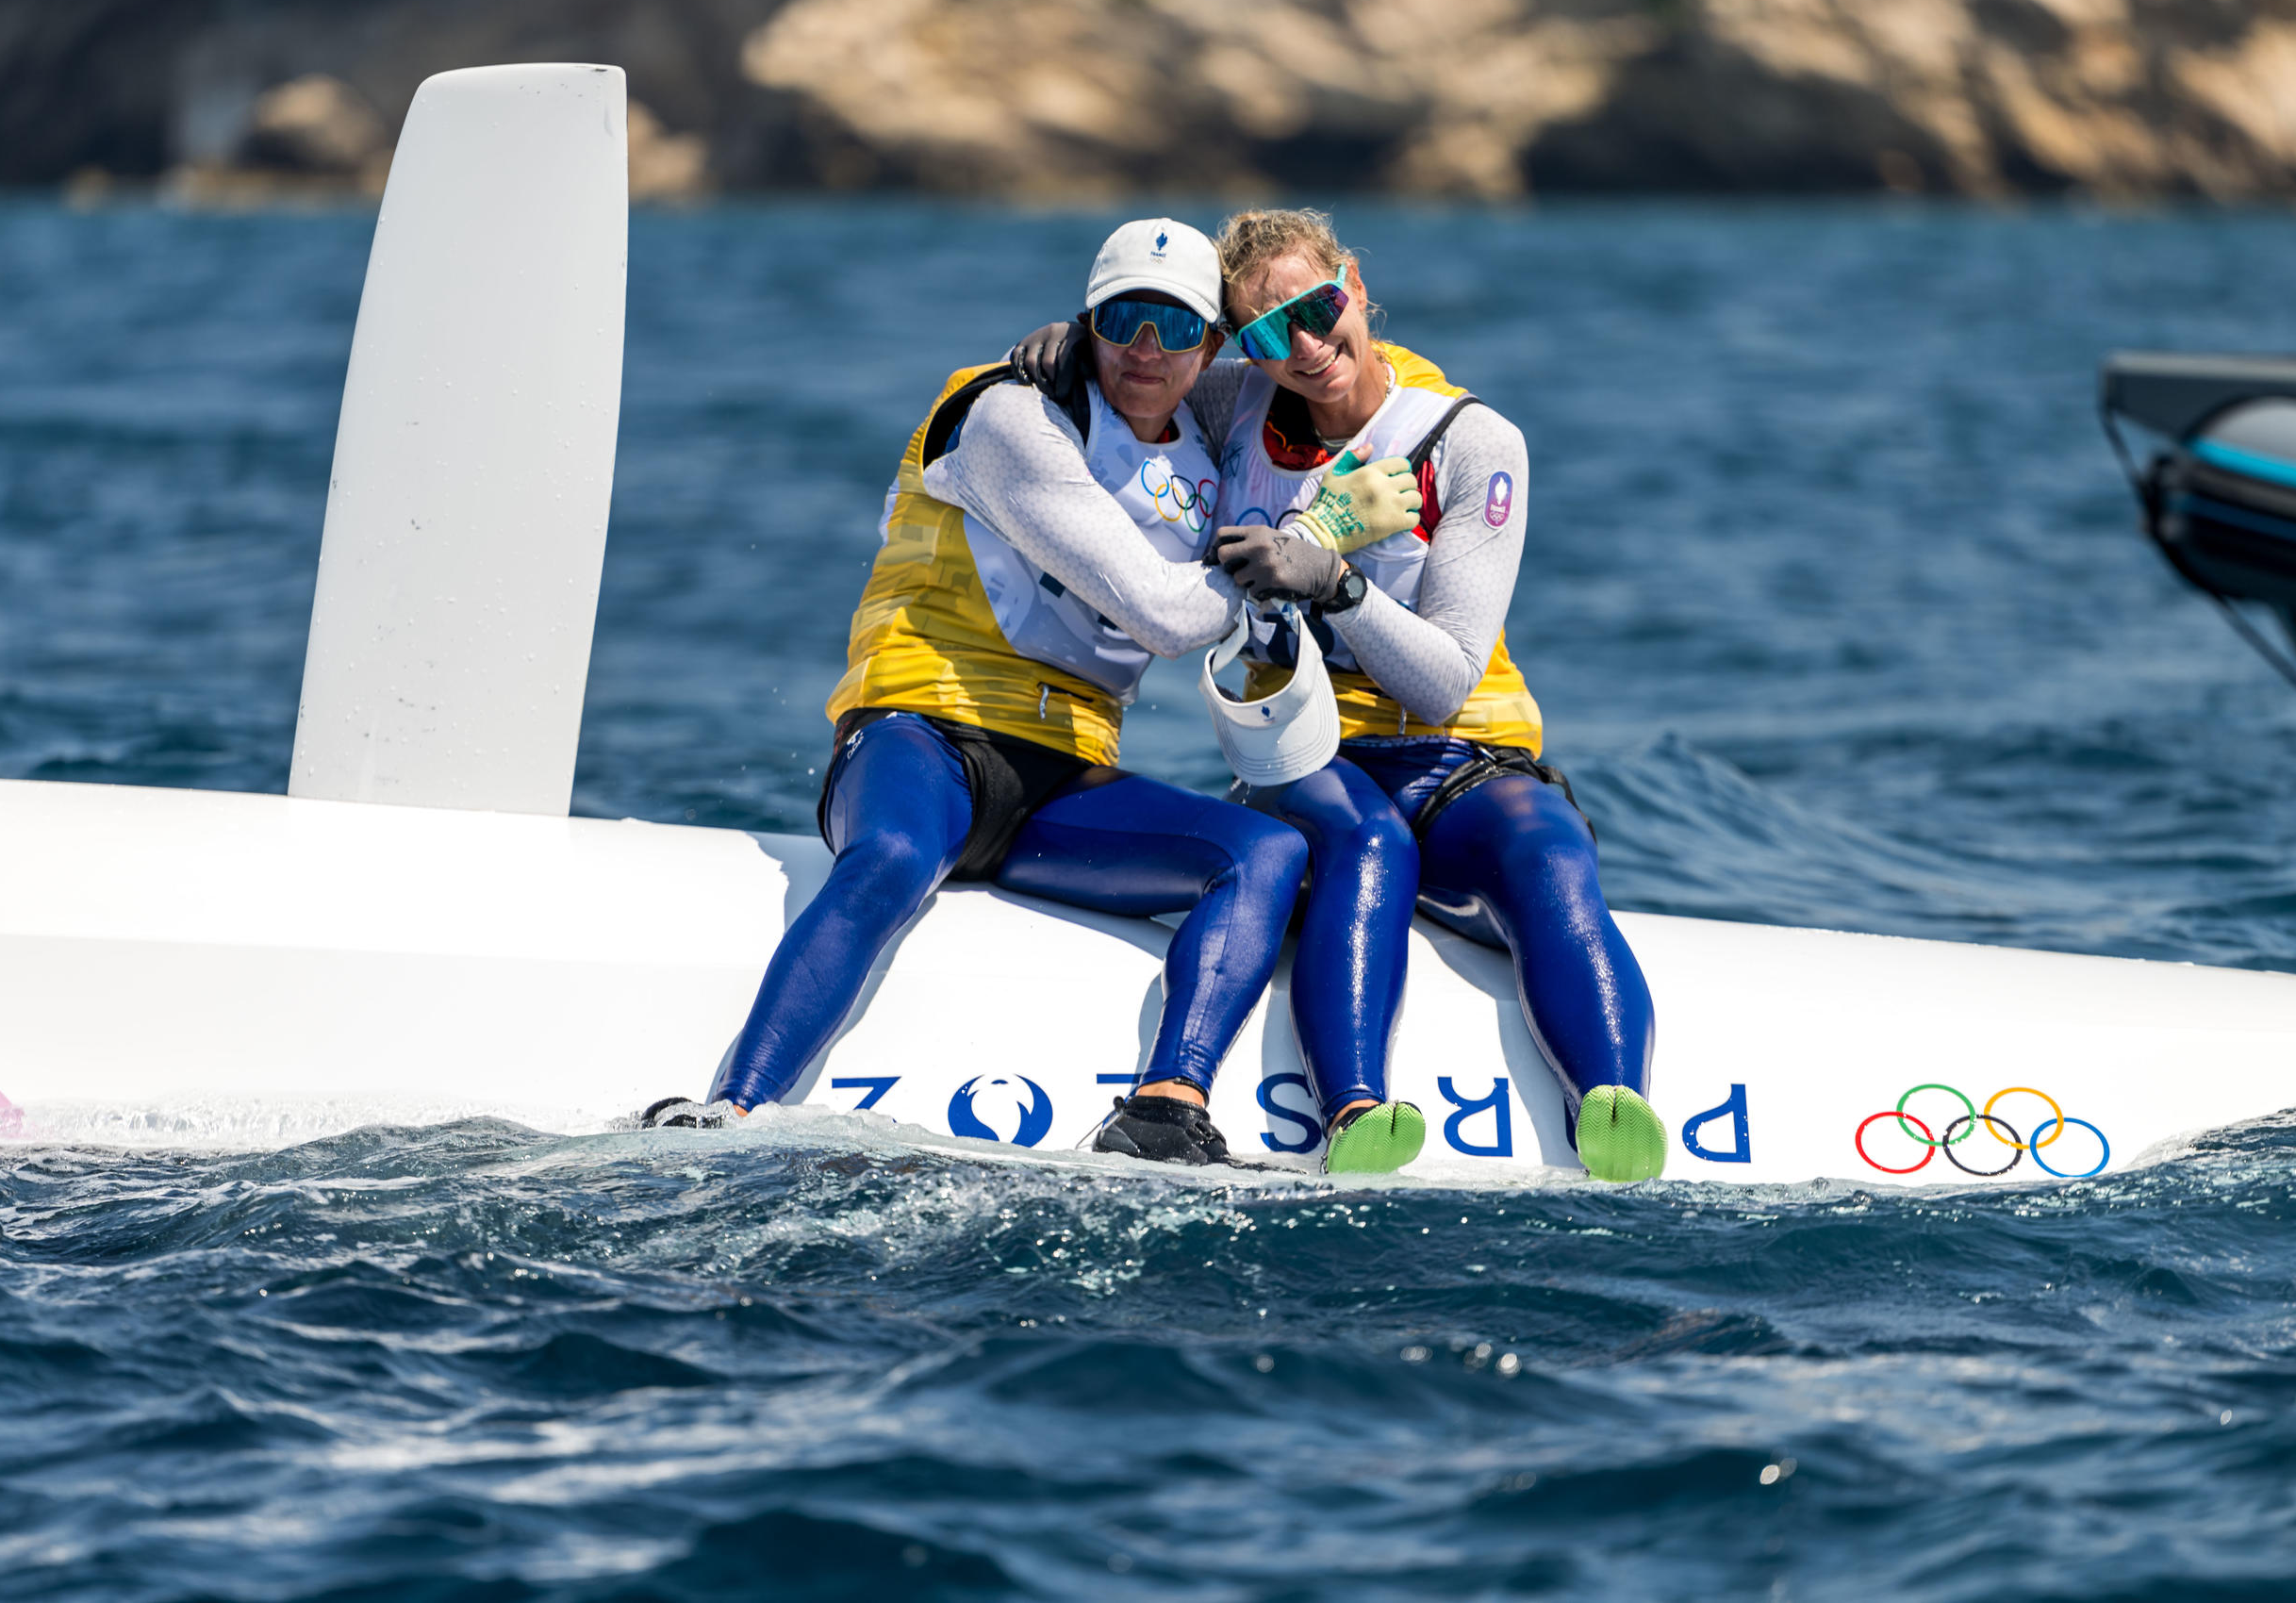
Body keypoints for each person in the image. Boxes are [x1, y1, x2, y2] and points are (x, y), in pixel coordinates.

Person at [1013, 208, 1664, 1181]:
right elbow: (1144, 369)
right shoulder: (1234, 402)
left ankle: (1613, 1108)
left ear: (1352, 283)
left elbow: (1444, 682)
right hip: (1310, 756)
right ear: (1245, 347)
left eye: (1319, 309)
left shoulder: (1470, 440)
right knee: (1368, 845)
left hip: (1464, 753)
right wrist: (1069, 348)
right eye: (1270, 334)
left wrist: (1337, 583)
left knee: (1547, 845)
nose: (1307, 347)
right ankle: (1356, 1110)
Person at [675, 219, 1314, 1167]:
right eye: (1123, 318)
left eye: (1176, 327)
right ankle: (726, 1108)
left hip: (1059, 783)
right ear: (1086, 318)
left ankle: (1163, 1108)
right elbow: (1167, 620)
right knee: (892, 855)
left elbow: (1333, 377)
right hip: (920, 730)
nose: (1147, 348)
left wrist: (1324, 517)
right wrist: (1278, 563)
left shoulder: (1208, 428)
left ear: (1211, 345)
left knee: (1265, 851)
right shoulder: (1007, 417)